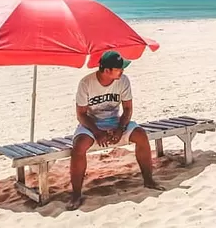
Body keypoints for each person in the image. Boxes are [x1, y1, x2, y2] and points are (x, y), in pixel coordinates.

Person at [67, 50, 165, 211]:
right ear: (107, 71)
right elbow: (81, 115)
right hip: (92, 123)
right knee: (79, 146)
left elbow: (127, 109)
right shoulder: (86, 83)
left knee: (141, 135)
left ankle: (149, 180)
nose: (122, 71)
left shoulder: (123, 81)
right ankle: (76, 194)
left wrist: (120, 128)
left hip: (115, 121)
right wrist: (97, 132)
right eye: (119, 68)